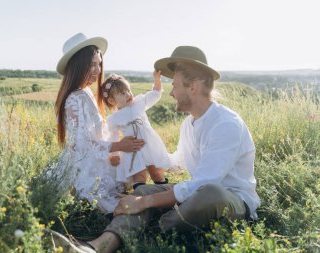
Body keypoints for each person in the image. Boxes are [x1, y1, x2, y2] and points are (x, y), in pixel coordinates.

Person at [57, 45, 261, 253]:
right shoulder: (188, 125)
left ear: (193, 87)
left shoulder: (225, 124)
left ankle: (150, 228)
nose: (171, 93)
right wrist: (146, 156)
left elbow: (205, 182)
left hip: (230, 199)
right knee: (143, 190)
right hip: (196, 193)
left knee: (208, 193)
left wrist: (146, 203)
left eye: (175, 85)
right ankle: (98, 246)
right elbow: (176, 163)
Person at [52, 33, 145, 215]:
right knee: (113, 201)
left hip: (95, 156)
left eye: (99, 63)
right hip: (84, 163)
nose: (98, 69)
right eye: (92, 64)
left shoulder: (85, 91)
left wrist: (113, 153)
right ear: (78, 65)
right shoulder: (74, 99)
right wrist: (118, 146)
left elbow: (96, 134)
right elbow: (81, 143)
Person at [102, 72, 170, 191]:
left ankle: (164, 193)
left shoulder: (139, 102)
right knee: (139, 176)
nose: (128, 94)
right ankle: (141, 195)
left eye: (128, 90)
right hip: (133, 149)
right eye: (123, 93)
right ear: (112, 101)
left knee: (156, 172)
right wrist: (114, 154)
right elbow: (113, 137)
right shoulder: (114, 118)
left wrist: (157, 79)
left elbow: (155, 94)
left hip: (149, 145)